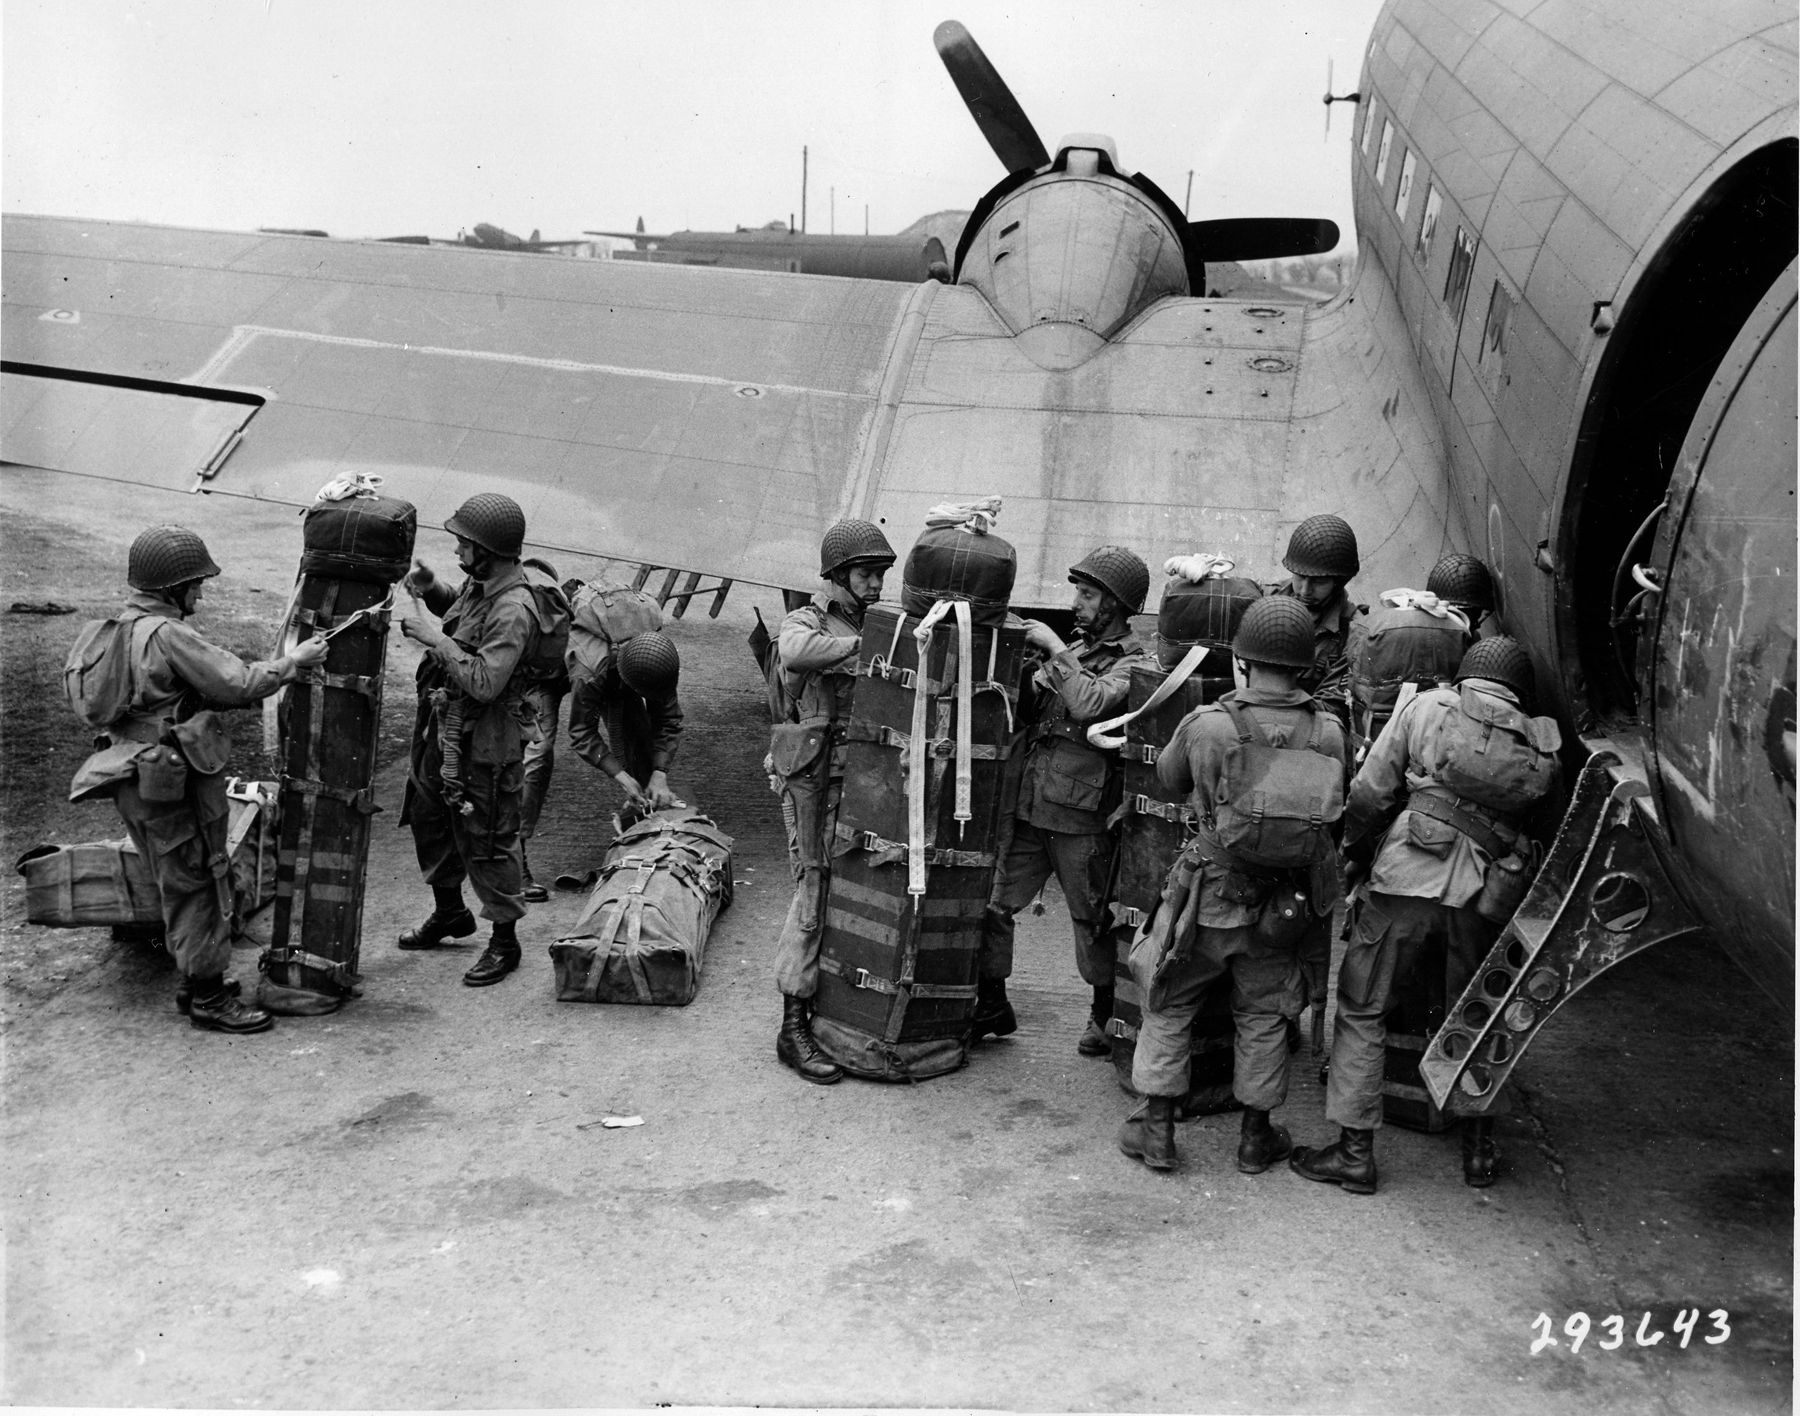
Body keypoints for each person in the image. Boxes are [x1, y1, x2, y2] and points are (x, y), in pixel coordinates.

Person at [1291, 636, 1562, 1195]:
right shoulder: (1540, 745)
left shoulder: (1427, 708)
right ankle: (1479, 1150)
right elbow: (1547, 832)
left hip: (1405, 878)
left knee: (1364, 1007)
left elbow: (1370, 792)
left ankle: (1354, 1154)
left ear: (1467, 677)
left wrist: (1353, 855)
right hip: (1486, 895)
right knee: (1480, 1014)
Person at [67, 525, 328, 1033]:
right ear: (171, 589)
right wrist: (293, 662)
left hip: (132, 774)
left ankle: (196, 981)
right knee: (198, 881)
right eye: (195, 585)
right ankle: (208, 997)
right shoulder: (168, 634)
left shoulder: (118, 629)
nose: (200, 593)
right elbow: (239, 683)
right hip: (170, 779)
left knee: (174, 877)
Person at [1119, 596, 1350, 1172]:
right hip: (1284, 908)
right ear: (1304, 665)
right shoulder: (1329, 732)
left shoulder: (1210, 725)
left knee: (1169, 1000)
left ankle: (1157, 1132)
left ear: (1242, 660)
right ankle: (1254, 1138)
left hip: (1207, 894)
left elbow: (1169, 781)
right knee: (1266, 1014)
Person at [974, 545, 1153, 1055]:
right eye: (1078, 591)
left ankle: (1102, 1015)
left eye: (1088, 594)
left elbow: (1090, 702)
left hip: (1082, 816)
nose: (1077, 602)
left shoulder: (1135, 663)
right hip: (1032, 805)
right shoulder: (1077, 650)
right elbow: (1033, 711)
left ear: (1116, 605)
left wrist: (1055, 649)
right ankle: (991, 1002)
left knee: (1090, 919)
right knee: (994, 901)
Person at [395, 492, 544, 988]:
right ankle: (451, 913)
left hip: (487, 739)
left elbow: (485, 680)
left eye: (463, 545)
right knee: (428, 813)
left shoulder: (514, 607)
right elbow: (461, 618)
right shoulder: (484, 584)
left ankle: (505, 941)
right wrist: (433, 587)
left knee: (488, 837)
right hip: (448, 727)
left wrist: (431, 638)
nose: (457, 552)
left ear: (489, 550)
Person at [770, 518, 896, 1084]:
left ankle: (835, 1010)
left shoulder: (874, 622)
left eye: (879, 577)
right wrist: (867, 644)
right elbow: (795, 653)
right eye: (867, 576)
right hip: (815, 779)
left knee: (854, 888)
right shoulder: (809, 619)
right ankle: (792, 1023)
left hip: (860, 778)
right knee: (814, 889)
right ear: (839, 576)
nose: (875, 586)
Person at [567, 625, 685, 820]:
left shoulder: (654, 657)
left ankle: (645, 803)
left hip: (620, 664)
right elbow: (582, 731)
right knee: (541, 749)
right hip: (551, 670)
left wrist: (659, 773)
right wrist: (621, 777)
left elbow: (668, 717)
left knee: (639, 740)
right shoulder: (588, 672)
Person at [1268, 514, 1360, 731]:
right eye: (1299, 577)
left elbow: (1331, 706)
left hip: (1306, 731)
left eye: (1318, 582)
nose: (1304, 590)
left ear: (1338, 582)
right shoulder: (1267, 600)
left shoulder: (1352, 631)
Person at [516, 557, 571, 902]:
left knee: (537, 755)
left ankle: (515, 852)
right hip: (496, 678)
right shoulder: (500, 603)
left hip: (537, 685)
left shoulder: (566, 615)